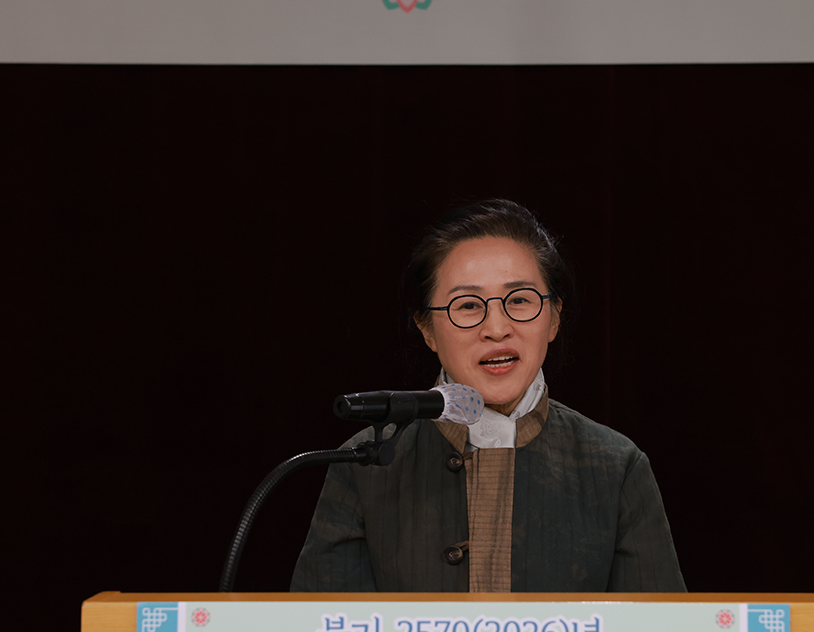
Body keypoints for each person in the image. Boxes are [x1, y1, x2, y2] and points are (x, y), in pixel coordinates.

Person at [290, 199, 685, 593]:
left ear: (554, 318)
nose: (497, 329)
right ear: (427, 329)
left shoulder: (616, 467)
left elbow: (659, 631)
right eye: (467, 305)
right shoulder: (364, 464)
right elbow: (322, 628)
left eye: (520, 300)